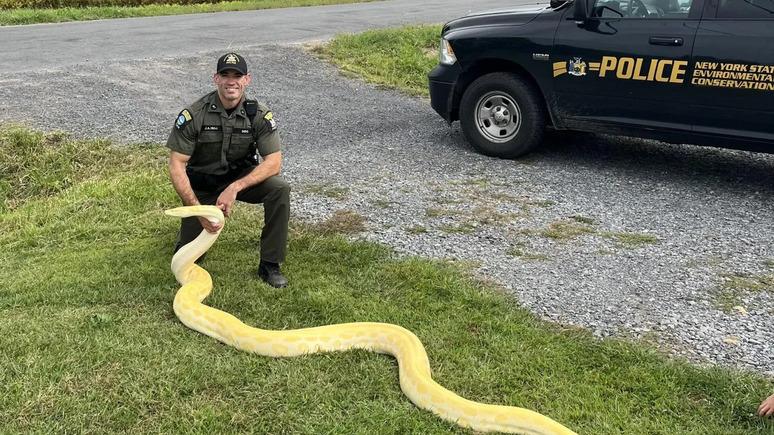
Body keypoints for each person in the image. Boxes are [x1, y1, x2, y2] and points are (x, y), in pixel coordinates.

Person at [166, 52, 290, 288]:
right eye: (225, 75)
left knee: (280, 189)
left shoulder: (258, 115)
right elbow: (176, 164)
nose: (231, 81)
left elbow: (274, 162)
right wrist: (197, 211)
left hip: (239, 179)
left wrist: (234, 188)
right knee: (188, 259)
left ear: (247, 79)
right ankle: (189, 231)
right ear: (216, 78)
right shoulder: (195, 114)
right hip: (203, 184)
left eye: (237, 76)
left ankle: (270, 264)